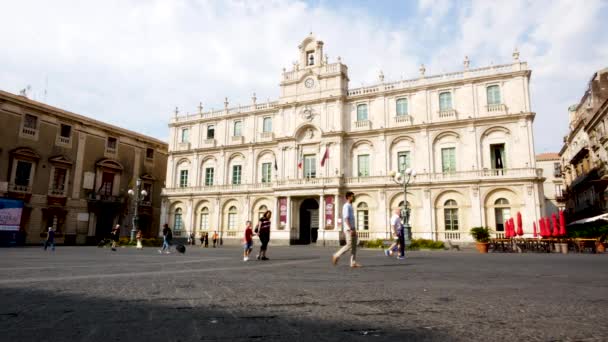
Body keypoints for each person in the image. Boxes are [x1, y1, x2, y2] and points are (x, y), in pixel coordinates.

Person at [332, 192, 361, 268]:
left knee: (354, 245)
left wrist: (354, 229)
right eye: (352, 196)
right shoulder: (346, 206)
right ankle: (336, 255)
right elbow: (346, 218)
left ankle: (353, 262)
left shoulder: (351, 206)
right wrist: (350, 229)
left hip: (352, 228)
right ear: (348, 197)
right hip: (349, 229)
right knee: (349, 244)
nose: (354, 198)